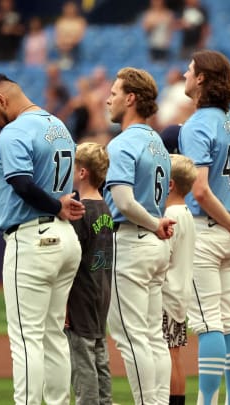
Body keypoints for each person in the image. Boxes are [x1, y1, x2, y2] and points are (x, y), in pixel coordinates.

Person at [0, 73, 84, 405]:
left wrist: (54, 206)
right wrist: (58, 207)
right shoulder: (58, 126)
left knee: (26, 340)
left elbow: (22, 184)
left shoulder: (15, 131)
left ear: (2, 100)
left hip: (34, 237)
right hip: (66, 239)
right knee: (53, 336)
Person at [178, 49, 230, 405]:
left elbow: (201, 189)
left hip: (208, 229)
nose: (184, 74)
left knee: (208, 323)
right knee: (229, 320)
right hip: (227, 232)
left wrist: (229, 222)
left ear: (202, 78)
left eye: (190, 70)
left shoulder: (197, 124)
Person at [104, 67, 174, 405]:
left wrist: (153, 224)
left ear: (131, 98)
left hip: (132, 241)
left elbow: (123, 201)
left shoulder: (122, 144)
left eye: (115, 92)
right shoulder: (157, 143)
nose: (108, 98)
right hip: (155, 246)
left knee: (133, 338)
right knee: (152, 336)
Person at [64, 141, 113, 405]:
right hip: (102, 291)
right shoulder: (106, 208)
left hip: (81, 295)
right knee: (100, 356)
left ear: (83, 172)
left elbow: (72, 261)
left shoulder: (79, 210)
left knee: (83, 362)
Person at [160, 153, 198, 405]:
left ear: (170, 183)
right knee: (174, 355)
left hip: (167, 293)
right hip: (180, 291)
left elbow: (162, 257)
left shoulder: (171, 214)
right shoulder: (187, 212)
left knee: (167, 357)